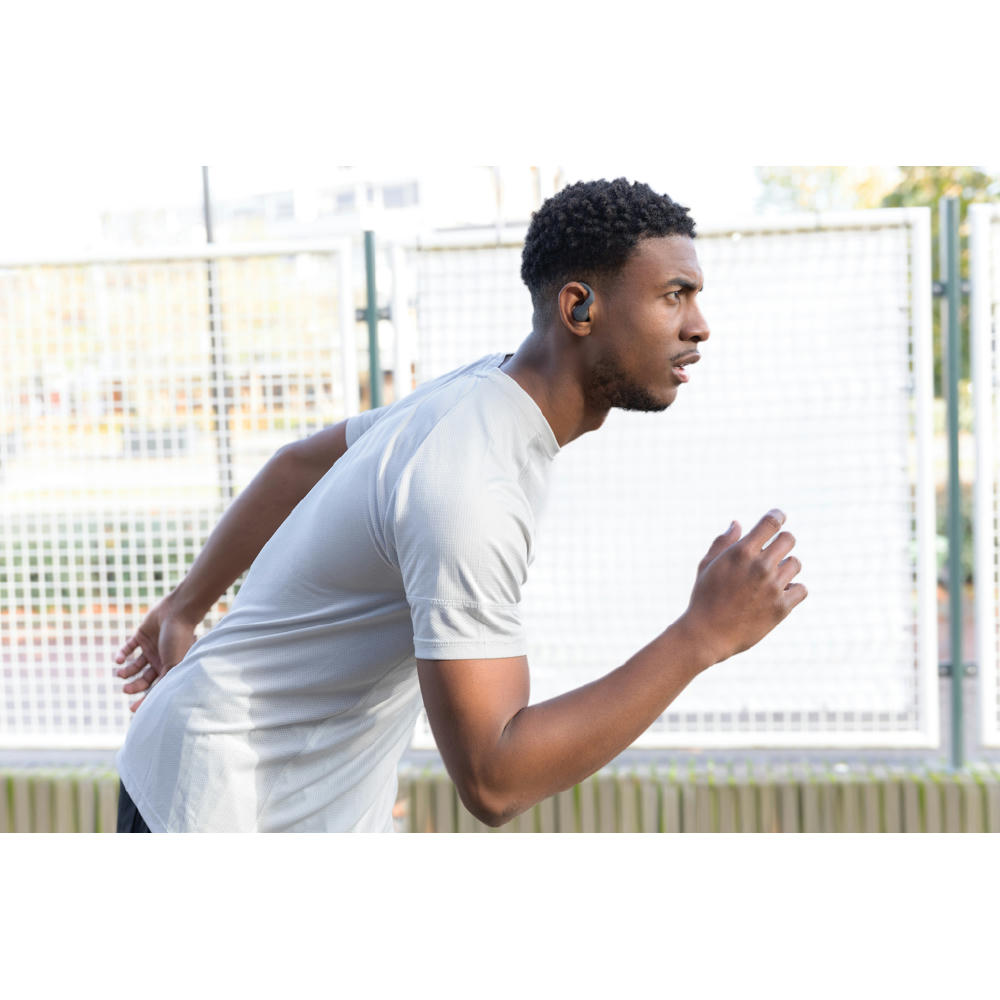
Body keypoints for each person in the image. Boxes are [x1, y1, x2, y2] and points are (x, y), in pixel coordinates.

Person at [113, 177, 807, 832]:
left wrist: (183, 607)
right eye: (674, 296)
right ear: (579, 308)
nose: (699, 326)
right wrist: (701, 636)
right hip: (215, 803)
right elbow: (494, 779)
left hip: (285, 792)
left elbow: (298, 465)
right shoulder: (472, 485)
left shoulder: (486, 392)